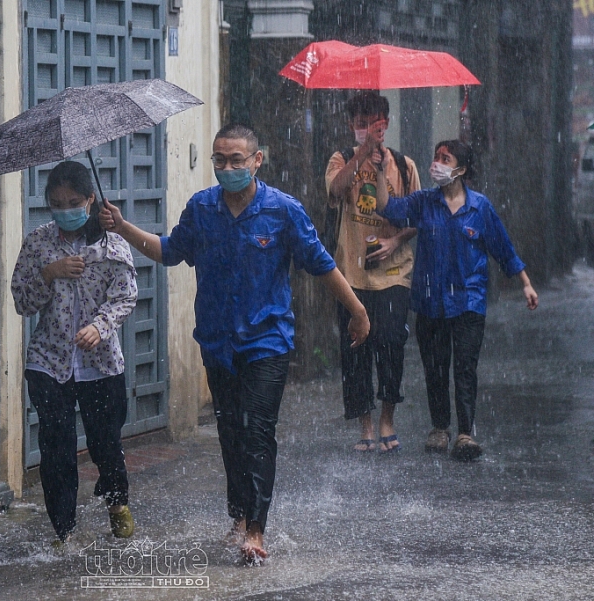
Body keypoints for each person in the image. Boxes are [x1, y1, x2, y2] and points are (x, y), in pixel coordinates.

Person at [99, 124, 370, 563]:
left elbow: (321, 264)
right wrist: (123, 226)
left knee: (258, 431)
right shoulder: (202, 208)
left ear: (257, 160)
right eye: (219, 161)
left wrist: (357, 310)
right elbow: (169, 251)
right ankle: (239, 516)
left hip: (268, 341)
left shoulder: (283, 211)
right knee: (230, 433)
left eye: (236, 160)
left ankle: (257, 531)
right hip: (217, 341)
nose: (227, 168)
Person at [374, 139, 538, 461]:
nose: (437, 163)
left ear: (460, 169)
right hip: (430, 300)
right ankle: (439, 428)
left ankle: (465, 432)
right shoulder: (424, 202)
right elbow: (387, 208)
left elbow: (503, 249)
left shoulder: (480, 208)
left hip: (469, 301)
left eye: (445, 158)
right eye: (435, 157)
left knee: (464, 367)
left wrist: (526, 284)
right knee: (435, 367)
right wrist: (380, 171)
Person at [11, 160, 138, 544]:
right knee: (57, 450)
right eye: (56, 203)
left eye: (73, 202)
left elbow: (127, 294)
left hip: (101, 365)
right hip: (48, 362)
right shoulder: (38, 242)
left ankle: (117, 501)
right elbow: (22, 301)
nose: (65, 210)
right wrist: (49, 273)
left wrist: (99, 327)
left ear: (89, 201)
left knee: (105, 443)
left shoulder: (112, 244)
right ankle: (63, 530)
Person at [325, 92, 421, 454]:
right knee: (355, 350)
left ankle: (387, 418)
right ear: (353, 125)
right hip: (351, 273)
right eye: (362, 124)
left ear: (386, 123)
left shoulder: (403, 164)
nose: (369, 130)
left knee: (392, 343)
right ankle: (364, 423)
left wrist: (396, 241)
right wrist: (362, 154)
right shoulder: (341, 158)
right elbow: (335, 191)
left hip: (395, 272)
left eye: (375, 123)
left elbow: (415, 216)